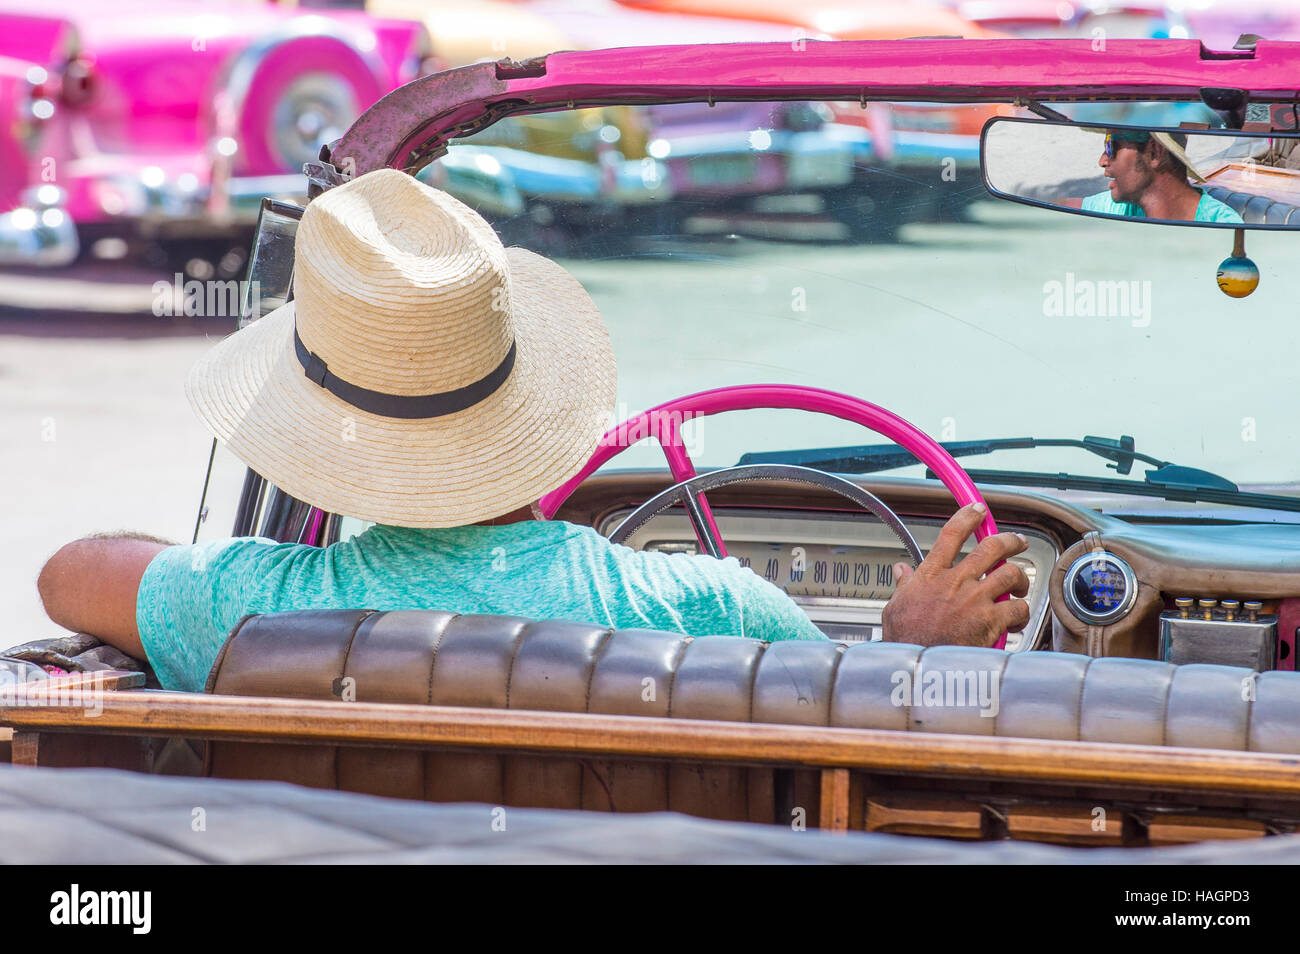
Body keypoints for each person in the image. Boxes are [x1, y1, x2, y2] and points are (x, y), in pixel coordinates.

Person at [35, 170, 1030, 693]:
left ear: (329, 439)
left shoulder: (253, 608)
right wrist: (905, 648)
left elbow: (68, 573)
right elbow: (844, 728)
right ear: (529, 413)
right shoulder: (706, 602)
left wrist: (212, 573)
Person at [1082, 129, 1242, 224]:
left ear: (1154, 152)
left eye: (1110, 146)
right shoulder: (1119, 207)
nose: (1102, 161)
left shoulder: (1222, 225)